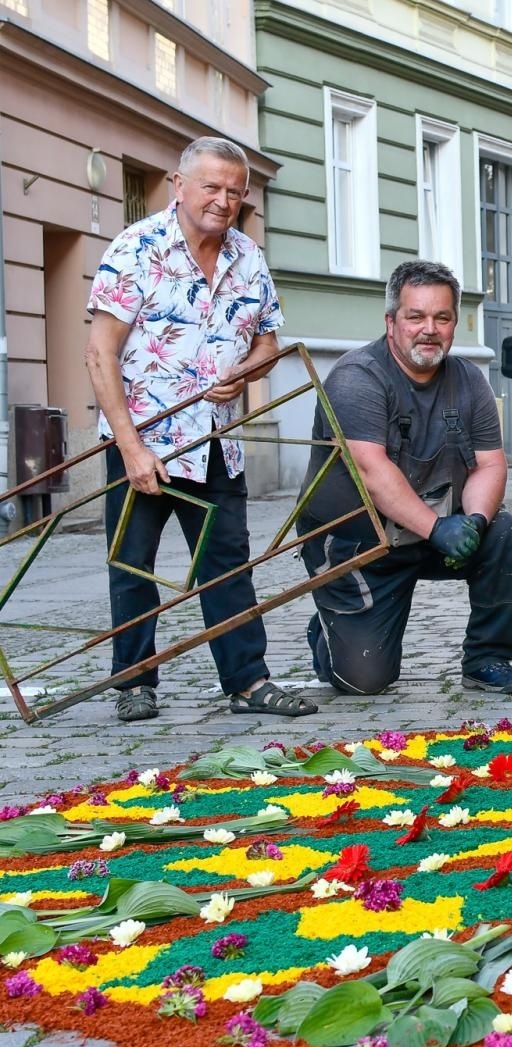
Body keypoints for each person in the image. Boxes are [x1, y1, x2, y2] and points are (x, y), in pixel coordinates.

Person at [84, 136, 315, 722]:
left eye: (235, 192)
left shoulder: (249, 256)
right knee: (133, 565)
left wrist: (246, 372)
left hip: (216, 443)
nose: (223, 201)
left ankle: (247, 682)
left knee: (227, 564)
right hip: (144, 441)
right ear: (179, 185)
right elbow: (99, 353)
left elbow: (268, 342)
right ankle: (135, 683)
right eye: (211, 187)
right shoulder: (137, 247)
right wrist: (130, 448)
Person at [297, 260, 512, 696]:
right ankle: (330, 632)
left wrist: (474, 522)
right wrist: (437, 529)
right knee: (365, 680)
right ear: (391, 322)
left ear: (454, 323)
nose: (429, 329)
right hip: (358, 543)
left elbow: (490, 464)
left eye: (442, 317)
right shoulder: (356, 378)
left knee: (503, 534)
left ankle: (486, 659)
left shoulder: (469, 380)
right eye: (415, 316)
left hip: (427, 532)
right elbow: (371, 470)